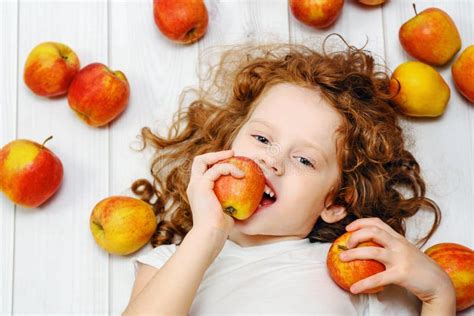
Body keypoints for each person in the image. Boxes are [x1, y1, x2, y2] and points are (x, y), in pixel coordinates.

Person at [123, 34, 456, 315]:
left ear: (335, 202)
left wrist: (438, 295)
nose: (272, 161)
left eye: (304, 160)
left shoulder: (357, 269)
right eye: (262, 138)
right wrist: (206, 234)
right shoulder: (173, 261)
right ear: (227, 144)